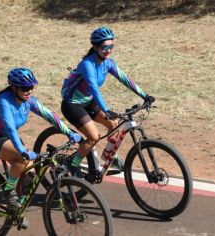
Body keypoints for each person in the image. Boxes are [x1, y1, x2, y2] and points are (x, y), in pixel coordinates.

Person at [0, 68, 81, 226]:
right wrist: (22, 151)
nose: (29, 91)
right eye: (25, 88)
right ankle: (8, 190)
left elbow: (49, 115)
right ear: (14, 88)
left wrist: (68, 132)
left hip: (9, 138)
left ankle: (16, 210)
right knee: (21, 158)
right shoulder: (4, 101)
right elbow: (10, 128)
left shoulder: (29, 101)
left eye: (32, 87)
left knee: (30, 176)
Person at [61, 26, 155, 176]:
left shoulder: (108, 63)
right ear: (96, 47)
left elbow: (125, 78)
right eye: (105, 47)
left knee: (114, 125)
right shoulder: (87, 65)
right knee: (94, 137)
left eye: (111, 46)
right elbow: (93, 88)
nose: (109, 50)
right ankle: (72, 165)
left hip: (88, 101)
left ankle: (110, 157)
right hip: (72, 103)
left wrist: (144, 95)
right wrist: (106, 110)